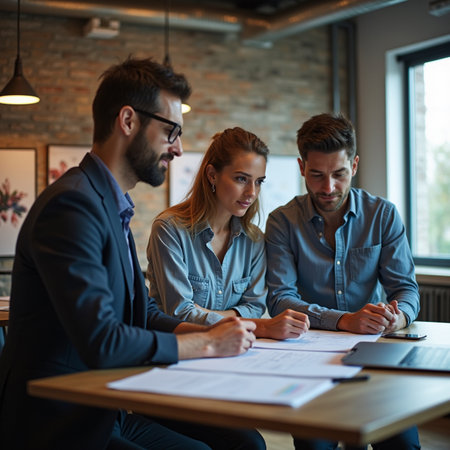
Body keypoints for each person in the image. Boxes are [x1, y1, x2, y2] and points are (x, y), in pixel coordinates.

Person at [0, 57, 265, 450]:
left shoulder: (112, 203)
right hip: (59, 421)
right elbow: (102, 340)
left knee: (243, 444)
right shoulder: (71, 206)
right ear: (128, 121)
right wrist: (206, 345)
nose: (177, 149)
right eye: (170, 131)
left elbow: (142, 316)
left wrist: (212, 331)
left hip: (109, 408)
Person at [265, 112, 420, 449]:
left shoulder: (383, 214)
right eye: (317, 175)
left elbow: (405, 290)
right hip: (308, 359)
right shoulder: (282, 222)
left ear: (355, 165)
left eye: (338, 174)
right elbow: (279, 298)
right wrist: (344, 320)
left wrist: (400, 317)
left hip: (375, 355)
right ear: (301, 167)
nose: (328, 188)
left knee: (403, 445)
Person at [146, 127, 310, 340]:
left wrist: (209, 315)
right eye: (242, 179)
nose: (252, 192)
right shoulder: (169, 230)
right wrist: (257, 326)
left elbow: (254, 307)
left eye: (259, 181)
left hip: (232, 350)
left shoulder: (254, 240)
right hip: (178, 352)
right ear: (212, 175)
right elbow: (179, 313)